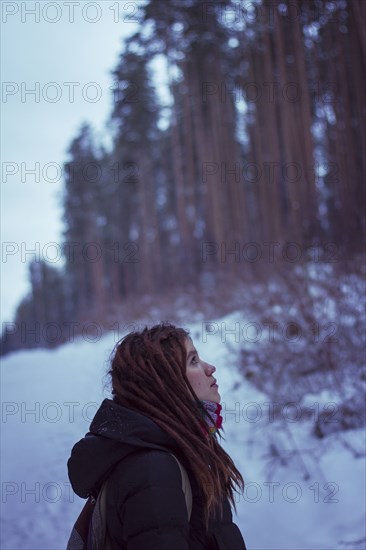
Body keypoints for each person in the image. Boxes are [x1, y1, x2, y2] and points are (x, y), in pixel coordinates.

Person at [68, 323, 247, 549]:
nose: (210, 367)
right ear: (164, 383)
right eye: (193, 361)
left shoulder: (182, 449)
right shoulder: (153, 470)